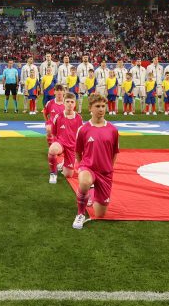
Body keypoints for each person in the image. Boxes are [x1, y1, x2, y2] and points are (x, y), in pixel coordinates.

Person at [72, 94, 121, 230]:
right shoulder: (83, 129)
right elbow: (78, 151)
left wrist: (109, 168)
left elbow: (115, 152)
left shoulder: (113, 130)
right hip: (89, 168)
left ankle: (90, 193)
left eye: (103, 106)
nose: (101, 109)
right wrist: (82, 167)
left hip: (105, 173)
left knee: (100, 214)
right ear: (90, 109)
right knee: (84, 182)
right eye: (97, 106)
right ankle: (80, 213)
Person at [48, 92, 84, 185]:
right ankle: (53, 173)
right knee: (52, 149)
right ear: (64, 103)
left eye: (72, 102)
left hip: (72, 148)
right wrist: (56, 144)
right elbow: (54, 133)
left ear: (75, 104)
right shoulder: (58, 116)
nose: (70, 104)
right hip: (61, 143)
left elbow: (81, 135)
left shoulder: (79, 118)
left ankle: (63, 164)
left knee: (68, 175)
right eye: (67, 101)